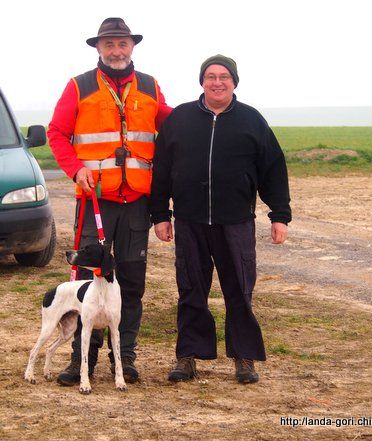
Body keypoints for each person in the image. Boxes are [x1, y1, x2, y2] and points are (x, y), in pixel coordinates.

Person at [149, 55, 292, 384]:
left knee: (239, 290)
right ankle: (188, 357)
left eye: (224, 76)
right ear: (202, 81)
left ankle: (244, 358)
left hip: (236, 222)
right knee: (191, 289)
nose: (217, 82)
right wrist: (160, 214)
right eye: (210, 76)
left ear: (234, 82)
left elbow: (273, 170)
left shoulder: (251, 120)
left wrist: (279, 215)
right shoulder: (180, 119)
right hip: (189, 220)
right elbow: (162, 171)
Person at [47, 17, 171, 386]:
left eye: (122, 44)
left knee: (130, 282)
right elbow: (56, 133)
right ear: (98, 48)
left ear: (132, 47)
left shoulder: (150, 86)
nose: (116, 50)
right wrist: (74, 170)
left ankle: (125, 358)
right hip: (94, 201)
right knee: (87, 280)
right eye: (109, 44)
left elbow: (174, 126)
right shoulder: (78, 86)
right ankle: (80, 360)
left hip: (136, 202)